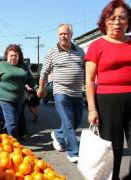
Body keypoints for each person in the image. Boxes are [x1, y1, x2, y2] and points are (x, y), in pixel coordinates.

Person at [85, 0, 131, 179]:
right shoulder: (97, 45)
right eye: (112, 18)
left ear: (128, 21)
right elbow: (89, 80)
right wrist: (92, 109)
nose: (117, 22)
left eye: (122, 18)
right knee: (113, 148)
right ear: (105, 21)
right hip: (108, 102)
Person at [37, 24, 85, 163]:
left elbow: (86, 69)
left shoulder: (80, 51)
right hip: (61, 91)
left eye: (65, 33)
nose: (63, 36)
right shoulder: (52, 52)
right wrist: (41, 88)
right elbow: (44, 72)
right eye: (60, 34)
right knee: (68, 122)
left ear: (71, 35)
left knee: (76, 121)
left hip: (77, 92)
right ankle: (73, 152)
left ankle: (58, 135)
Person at [0, 44, 38, 139]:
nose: (13, 58)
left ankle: (0, 138)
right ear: (7, 55)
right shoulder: (1, 66)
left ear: (19, 56)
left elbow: (30, 80)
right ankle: (13, 145)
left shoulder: (23, 66)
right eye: (11, 55)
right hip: (5, 98)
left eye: (16, 56)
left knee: (13, 122)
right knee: (12, 122)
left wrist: (37, 88)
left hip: (20, 99)